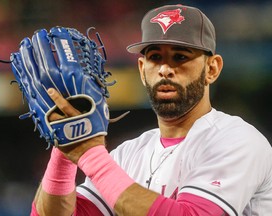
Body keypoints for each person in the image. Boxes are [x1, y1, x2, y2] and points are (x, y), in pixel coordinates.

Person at [30, 4, 272, 216]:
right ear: (142, 69)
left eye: (180, 56)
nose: (165, 69)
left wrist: (90, 154)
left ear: (212, 68)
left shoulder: (237, 141)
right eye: (155, 57)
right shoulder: (127, 154)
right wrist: (64, 147)